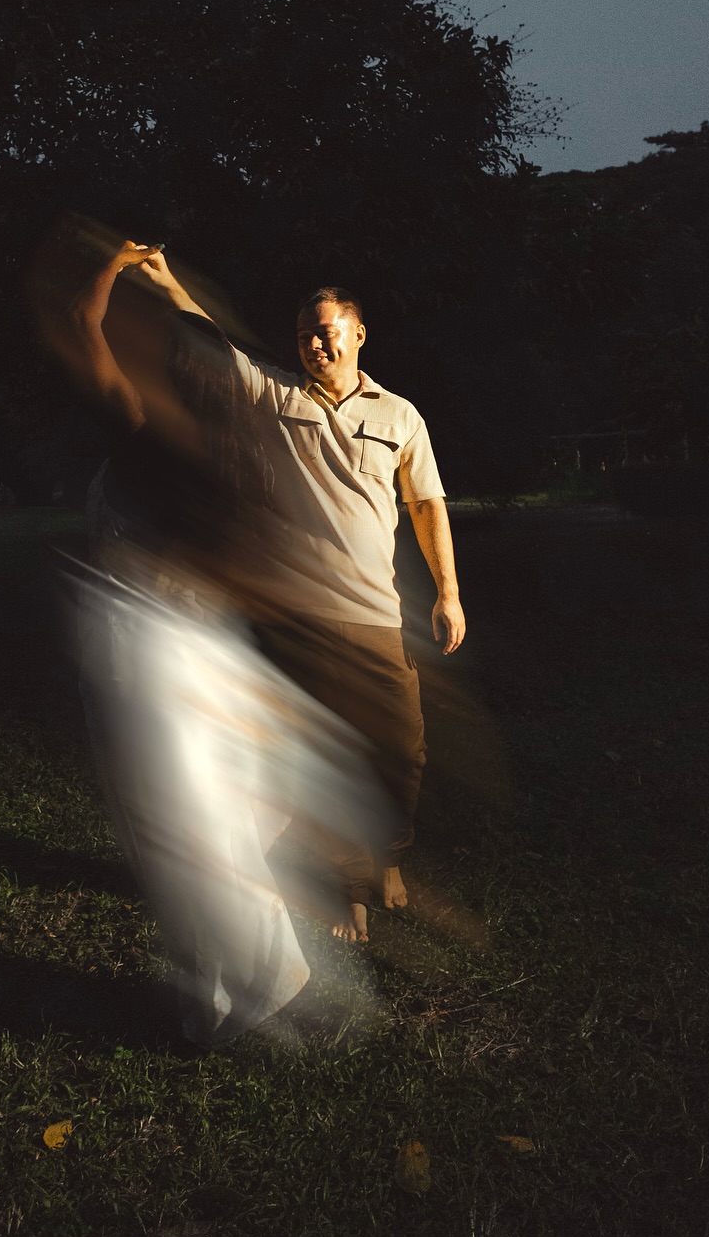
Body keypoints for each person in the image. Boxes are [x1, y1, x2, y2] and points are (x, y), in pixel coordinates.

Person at [39, 231, 388, 1046]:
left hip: (144, 649)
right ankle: (243, 990)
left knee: (184, 829)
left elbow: (81, 322)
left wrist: (115, 265)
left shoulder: (141, 428)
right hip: (201, 647)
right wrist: (167, 284)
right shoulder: (237, 448)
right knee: (210, 823)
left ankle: (243, 994)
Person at [134, 256, 463, 944]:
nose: (314, 343)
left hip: (377, 615)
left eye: (326, 330)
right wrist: (163, 277)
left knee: (403, 752)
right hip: (303, 618)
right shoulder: (278, 398)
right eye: (305, 334)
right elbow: (212, 342)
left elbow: (427, 505)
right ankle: (352, 891)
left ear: (359, 334)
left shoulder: (400, 416)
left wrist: (448, 594)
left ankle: (388, 857)